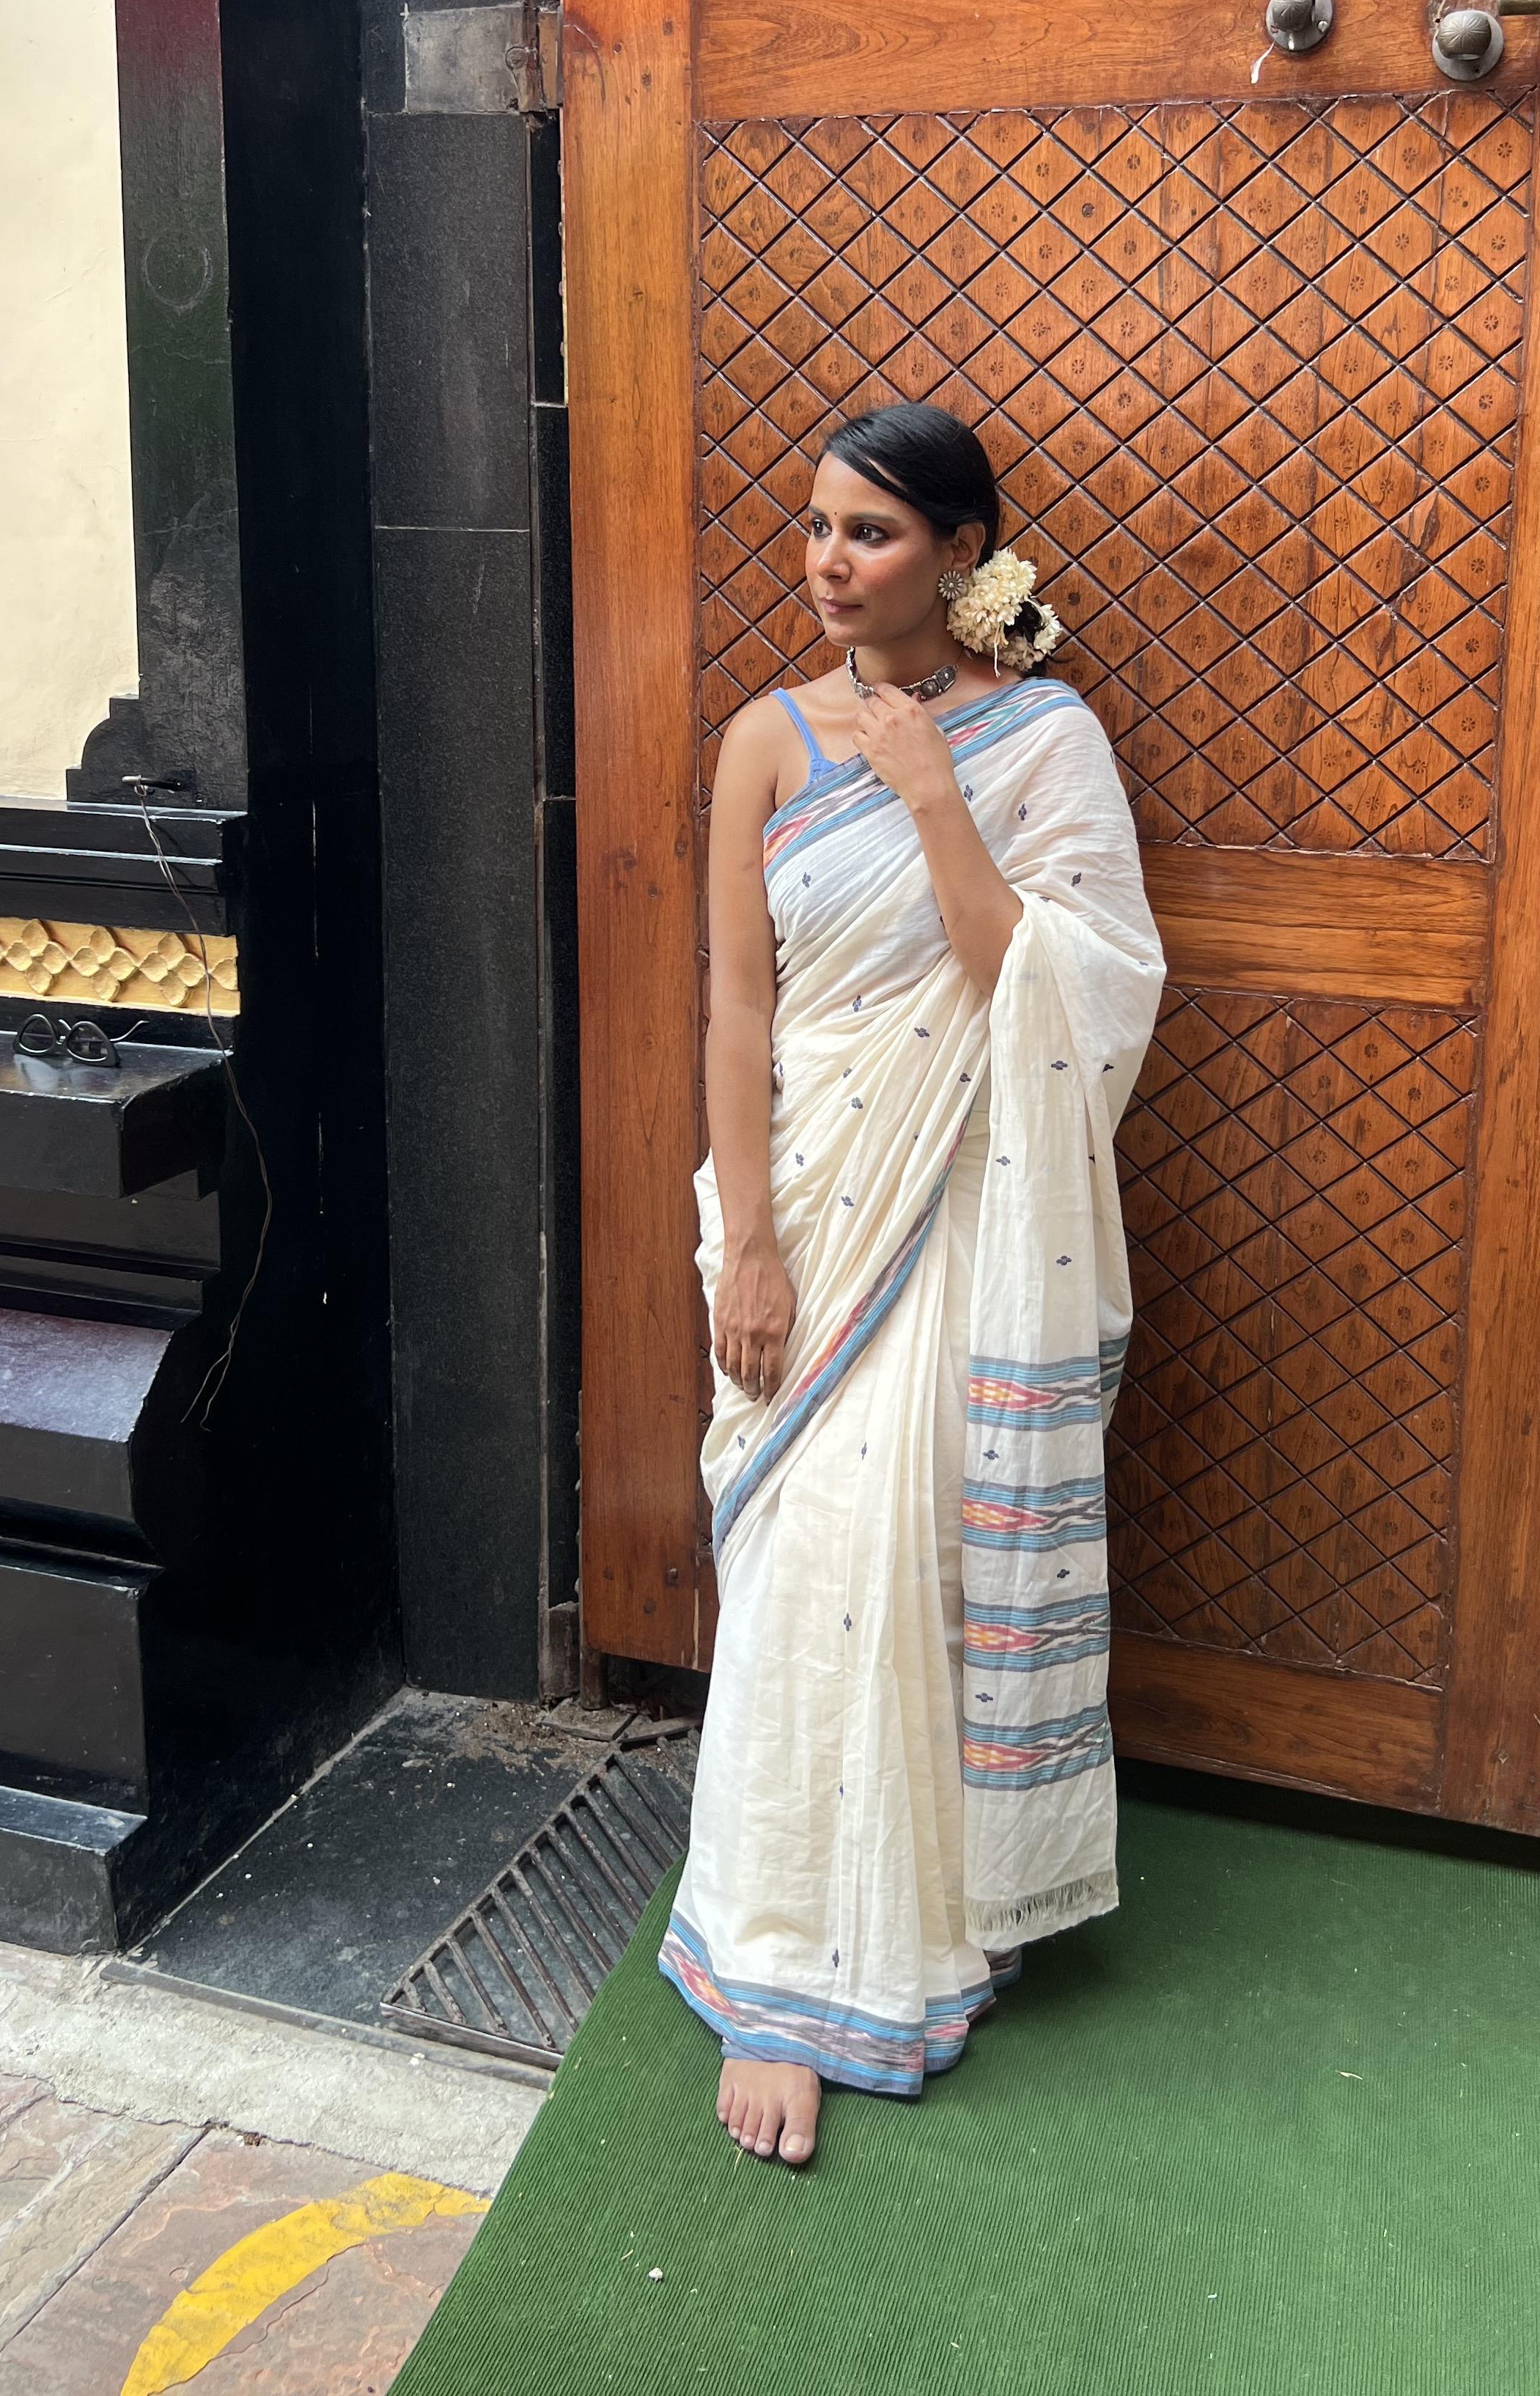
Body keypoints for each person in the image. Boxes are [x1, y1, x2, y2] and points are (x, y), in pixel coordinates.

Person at [658, 400, 1165, 2167]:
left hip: (962, 1211)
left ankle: (914, 1920)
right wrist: (755, 1242)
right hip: (814, 1203)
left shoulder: (1045, 743)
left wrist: (938, 793)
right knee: (808, 1556)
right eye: (815, 527)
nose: (828, 562)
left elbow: (1065, 987)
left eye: (869, 532)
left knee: (912, 1558)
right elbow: (739, 1007)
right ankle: (782, 1958)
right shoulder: (763, 740)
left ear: (960, 554)